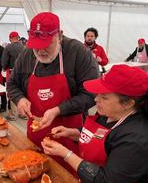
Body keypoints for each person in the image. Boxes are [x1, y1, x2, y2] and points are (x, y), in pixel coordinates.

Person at [7, 12, 99, 174]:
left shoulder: (78, 53)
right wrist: (20, 98)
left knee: (67, 178)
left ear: (60, 35)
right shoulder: (27, 55)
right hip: (36, 134)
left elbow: (90, 94)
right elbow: (12, 83)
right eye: (36, 45)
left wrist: (58, 110)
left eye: (46, 44)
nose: (40, 50)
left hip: (70, 135)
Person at [42, 64, 148, 183]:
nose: (96, 99)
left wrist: (66, 154)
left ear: (128, 104)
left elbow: (106, 182)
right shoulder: (109, 112)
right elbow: (100, 136)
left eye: (104, 97)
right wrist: (73, 133)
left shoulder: (136, 140)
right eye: (98, 94)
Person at [1, 31, 25, 120]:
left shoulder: (8, 47)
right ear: (18, 38)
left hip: (12, 72)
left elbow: (4, 62)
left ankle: (13, 115)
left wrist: (3, 68)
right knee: (22, 92)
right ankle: (23, 113)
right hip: (23, 73)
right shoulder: (23, 47)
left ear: (10, 38)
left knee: (12, 92)